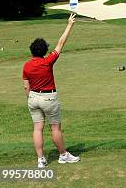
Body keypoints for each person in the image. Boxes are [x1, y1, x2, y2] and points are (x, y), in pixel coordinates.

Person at [22, 14, 81, 168]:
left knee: (37, 128)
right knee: (55, 128)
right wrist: (69, 24)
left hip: (33, 98)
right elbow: (61, 43)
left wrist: (31, 98)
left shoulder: (26, 65)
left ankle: (41, 159)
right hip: (49, 98)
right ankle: (63, 155)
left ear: (32, 51)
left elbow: (26, 86)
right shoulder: (48, 61)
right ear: (44, 51)